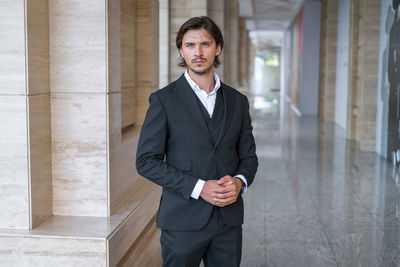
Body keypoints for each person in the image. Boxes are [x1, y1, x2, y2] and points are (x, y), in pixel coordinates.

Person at [136, 16, 258, 267]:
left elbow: (248, 157)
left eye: (205, 44)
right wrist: (199, 187)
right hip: (182, 221)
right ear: (181, 50)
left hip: (228, 220)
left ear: (218, 48)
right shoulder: (163, 100)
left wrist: (239, 182)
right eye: (190, 45)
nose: (198, 52)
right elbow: (146, 161)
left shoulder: (238, 101)